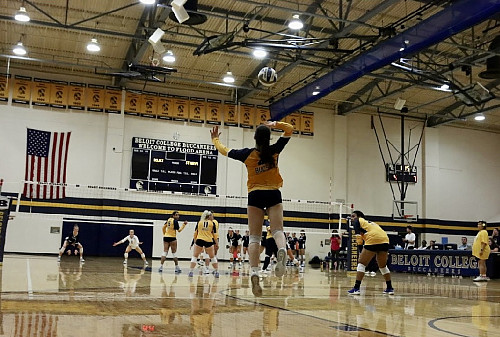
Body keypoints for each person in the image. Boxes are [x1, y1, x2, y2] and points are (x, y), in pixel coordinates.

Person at [211, 121, 293, 297]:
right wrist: (275, 124)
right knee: (278, 230)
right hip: (273, 193)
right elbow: (290, 129)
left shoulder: (247, 154)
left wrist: (215, 139)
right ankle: (282, 251)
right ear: (269, 137)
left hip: (255, 195)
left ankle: (255, 272)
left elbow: (224, 150)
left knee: (255, 237)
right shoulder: (275, 150)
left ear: (255, 138)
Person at [347, 210, 394, 295]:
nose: (352, 218)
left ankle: (356, 288)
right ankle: (389, 288)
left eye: (353, 216)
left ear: (359, 216)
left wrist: (361, 249)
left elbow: (358, 236)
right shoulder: (371, 223)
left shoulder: (358, 221)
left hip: (373, 239)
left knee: (361, 263)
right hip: (385, 240)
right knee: (382, 266)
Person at [188, 210, 219, 278]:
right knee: (212, 257)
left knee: (195, 256)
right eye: (211, 216)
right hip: (209, 240)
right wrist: (217, 244)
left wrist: (195, 241)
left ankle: (191, 272)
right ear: (209, 216)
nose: (212, 217)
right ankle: (216, 272)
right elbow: (215, 235)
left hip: (200, 239)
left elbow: (195, 233)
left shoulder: (199, 222)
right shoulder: (212, 223)